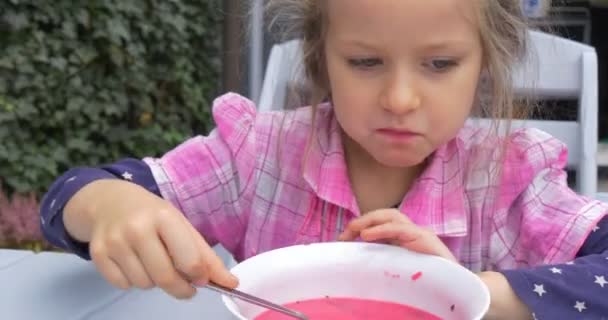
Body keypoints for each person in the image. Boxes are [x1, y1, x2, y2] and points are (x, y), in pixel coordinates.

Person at [40, 1, 608, 319]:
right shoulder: (258, 157)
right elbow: (71, 197)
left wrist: (472, 295)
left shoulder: (508, 181)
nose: (400, 99)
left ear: (484, 66)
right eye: (364, 61)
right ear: (321, 60)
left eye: (439, 64)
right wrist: (109, 204)